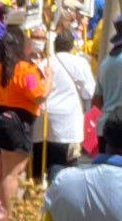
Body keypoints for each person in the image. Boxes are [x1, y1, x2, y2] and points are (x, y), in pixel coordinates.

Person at [0, 12, 48, 209]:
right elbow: (39, 95)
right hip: (17, 122)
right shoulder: (25, 70)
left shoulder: (0, 67)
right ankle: (6, 217)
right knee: (11, 174)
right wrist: (49, 79)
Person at [38, 27, 93, 181]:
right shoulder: (80, 63)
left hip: (45, 118)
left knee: (50, 160)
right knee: (66, 163)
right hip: (69, 120)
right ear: (72, 45)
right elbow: (89, 91)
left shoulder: (45, 63)